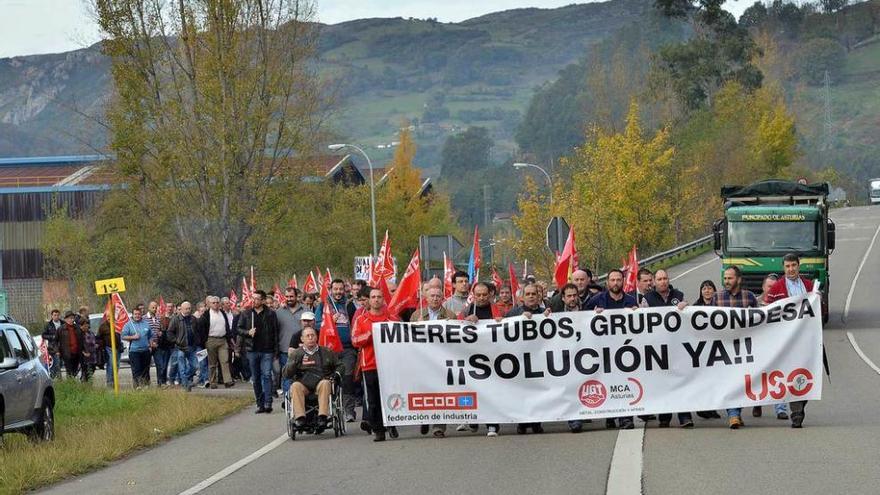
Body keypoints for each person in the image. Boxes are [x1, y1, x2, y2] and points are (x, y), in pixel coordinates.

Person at [763, 253, 815, 428]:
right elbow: (766, 312)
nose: (791, 269)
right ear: (783, 268)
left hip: (806, 338)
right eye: (787, 266)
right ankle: (796, 413)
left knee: (809, 374)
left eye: (793, 265)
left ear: (798, 266)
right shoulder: (777, 288)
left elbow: (817, 311)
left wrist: (818, 300)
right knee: (792, 374)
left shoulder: (809, 286)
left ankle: (801, 402)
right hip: (785, 341)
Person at [585, 270, 638, 430]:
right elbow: (581, 319)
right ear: (607, 282)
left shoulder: (630, 300)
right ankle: (610, 415)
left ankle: (626, 419)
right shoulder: (596, 300)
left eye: (618, 280)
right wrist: (593, 315)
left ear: (623, 281)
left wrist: (637, 313)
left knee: (625, 384)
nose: (616, 283)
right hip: (603, 350)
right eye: (612, 280)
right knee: (607, 382)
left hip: (625, 350)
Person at [644, 269, 693, 428]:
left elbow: (690, 315)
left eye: (665, 278)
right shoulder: (647, 299)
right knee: (663, 382)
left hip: (678, 346)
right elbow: (640, 321)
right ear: (654, 281)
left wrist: (685, 306)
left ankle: (684, 416)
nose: (663, 281)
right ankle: (664, 415)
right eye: (659, 279)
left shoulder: (678, 295)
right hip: (657, 347)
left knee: (680, 380)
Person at [712, 266, 759, 429]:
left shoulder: (750, 297)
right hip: (724, 347)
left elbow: (760, 321)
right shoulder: (717, 297)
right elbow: (707, 320)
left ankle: (736, 412)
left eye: (730, 278)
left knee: (742, 382)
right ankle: (733, 414)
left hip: (744, 347)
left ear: (738, 279)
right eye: (725, 278)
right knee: (729, 381)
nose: (726, 281)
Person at [410, 286, 457, 437]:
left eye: (438, 296)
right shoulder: (417, 314)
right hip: (422, 359)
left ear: (442, 298)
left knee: (440, 391)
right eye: (432, 296)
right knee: (423, 390)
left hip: (441, 360)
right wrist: (414, 326)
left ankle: (438, 426)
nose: (435, 298)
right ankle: (424, 418)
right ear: (426, 298)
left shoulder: (450, 315)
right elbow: (407, 337)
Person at [352, 287, 398, 441]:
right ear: (369, 300)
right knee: (373, 400)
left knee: (391, 396)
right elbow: (355, 340)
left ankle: (392, 424)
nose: (376, 299)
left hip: (390, 364)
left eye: (379, 296)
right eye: (373, 297)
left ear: (383, 299)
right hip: (370, 364)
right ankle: (378, 430)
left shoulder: (392, 319)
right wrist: (370, 334)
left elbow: (402, 337)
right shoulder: (361, 320)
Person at [458, 282, 503, 436]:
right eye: (478, 295)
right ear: (473, 295)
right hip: (472, 357)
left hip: (493, 356)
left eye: (485, 294)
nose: (482, 298)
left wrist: (501, 321)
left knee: (492, 391)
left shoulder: (498, 309)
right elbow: (455, 327)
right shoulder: (467, 310)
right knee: (473, 390)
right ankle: (473, 419)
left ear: (490, 294)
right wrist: (465, 321)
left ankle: (492, 425)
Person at [505, 284, 550, 435]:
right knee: (521, 391)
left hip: (539, 358)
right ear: (522, 297)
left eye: (534, 294)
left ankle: (537, 421)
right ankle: (522, 422)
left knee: (537, 391)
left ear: (539, 296)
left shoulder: (546, 313)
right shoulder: (512, 313)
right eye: (528, 294)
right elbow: (500, 331)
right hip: (519, 358)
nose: (531, 296)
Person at [282, 327, 344, 434]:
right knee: (295, 386)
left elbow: (340, 366)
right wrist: (293, 363)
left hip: (321, 383)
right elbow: (286, 374)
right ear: (302, 339)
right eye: (307, 336)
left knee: (325, 383)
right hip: (303, 385)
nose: (311, 338)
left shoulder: (326, 351)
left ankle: (322, 416)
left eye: (313, 335)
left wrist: (336, 375)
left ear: (316, 337)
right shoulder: (296, 354)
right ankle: (300, 418)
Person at [315, 279, 359, 422]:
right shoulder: (324, 305)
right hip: (329, 349)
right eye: (336, 289)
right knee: (326, 379)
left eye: (341, 289)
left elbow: (357, 321)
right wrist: (328, 321)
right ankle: (325, 410)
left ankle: (349, 411)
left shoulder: (349, 305)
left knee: (347, 378)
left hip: (347, 349)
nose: (338, 292)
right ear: (331, 290)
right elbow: (316, 324)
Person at [237, 290, 280, 414]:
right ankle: (260, 403)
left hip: (267, 350)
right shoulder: (246, 313)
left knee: (267, 375)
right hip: (252, 350)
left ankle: (268, 402)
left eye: (257, 298)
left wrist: (275, 349)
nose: (254, 300)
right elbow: (238, 329)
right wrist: (247, 333)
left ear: (262, 300)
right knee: (255, 378)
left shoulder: (271, 314)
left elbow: (275, 332)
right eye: (253, 298)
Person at [276, 287, 305, 395]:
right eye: (287, 297)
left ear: (296, 296)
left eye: (291, 296)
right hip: (284, 349)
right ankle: (288, 400)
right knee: (287, 375)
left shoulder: (305, 310)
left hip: (303, 349)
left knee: (301, 376)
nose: (289, 299)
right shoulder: (279, 312)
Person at [200, 295, 233, 389]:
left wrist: (229, 338)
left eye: (217, 302)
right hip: (211, 340)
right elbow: (202, 329)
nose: (215, 304)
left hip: (223, 340)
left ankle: (227, 381)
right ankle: (213, 382)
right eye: (213, 303)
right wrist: (204, 341)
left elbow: (226, 326)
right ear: (209, 304)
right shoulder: (206, 315)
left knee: (225, 361)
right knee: (212, 363)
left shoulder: (222, 313)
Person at [167, 301, 200, 392]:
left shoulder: (193, 319)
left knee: (195, 366)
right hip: (180, 347)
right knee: (182, 367)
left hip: (191, 346)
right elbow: (169, 332)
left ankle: (185, 379)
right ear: (181, 309)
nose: (188, 310)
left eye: (189, 308)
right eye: (186, 308)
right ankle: (185, 384)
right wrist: (176, 341)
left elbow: (197, 331)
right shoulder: (176, 319)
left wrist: (197, 341)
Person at [121, 305, 153, 388]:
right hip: (134, 351)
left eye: (138, 314)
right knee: (136, 370)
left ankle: (146, 385)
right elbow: (123, 336)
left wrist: (150, 345)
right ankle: (137, 386)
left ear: (141, 314)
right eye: (135, 314)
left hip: (145, 350)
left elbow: (150, 336)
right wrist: (133, 337)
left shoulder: (146, 324)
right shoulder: (128, 324)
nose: (137, 316)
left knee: (146, 370)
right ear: (133, 315)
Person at [98, 316, 123, 388]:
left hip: (118, 348)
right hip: (109, 348)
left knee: (117, 365)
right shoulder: (103, 326)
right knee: (111, 365)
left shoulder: (117, 324)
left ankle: (115, 381)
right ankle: (110, 382)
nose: (110, 319)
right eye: (109, 317)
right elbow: (98, 337)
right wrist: (102, 347)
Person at [155, 302, 175, 387]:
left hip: (173, 344)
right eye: (168, 307)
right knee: (162, 365)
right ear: (165, 307)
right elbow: (157, 329)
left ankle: (170, 380)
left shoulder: (176, 318)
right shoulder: (161, 318)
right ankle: (161, 381)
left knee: (172, 364)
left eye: (171, 306)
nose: (169, 308)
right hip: (162, 344)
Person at [58, 311, 84, 379]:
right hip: (66, 353)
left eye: (73, 318)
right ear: (66, 319)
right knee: (69, 371)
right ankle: (70, 383)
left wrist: (84, 350)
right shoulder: (61, 329)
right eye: (70, 318)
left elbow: (82, 340)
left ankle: (72, 383)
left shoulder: (77, 328)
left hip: (77, 353)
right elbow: (56, 341)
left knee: (75, 370)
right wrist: (57, 351)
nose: (72, 320)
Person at [42, 309, 63, 378]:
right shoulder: (48, 325)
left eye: (57, 315)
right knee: (57, 363)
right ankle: (58, 379)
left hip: (63, 346)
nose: (56, 317)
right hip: (53, 347)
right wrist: (52, 337)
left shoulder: (63, 323)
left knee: (60, 363)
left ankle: (52, 377)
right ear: (52, 316)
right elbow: (44, 335)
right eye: (55, 315)